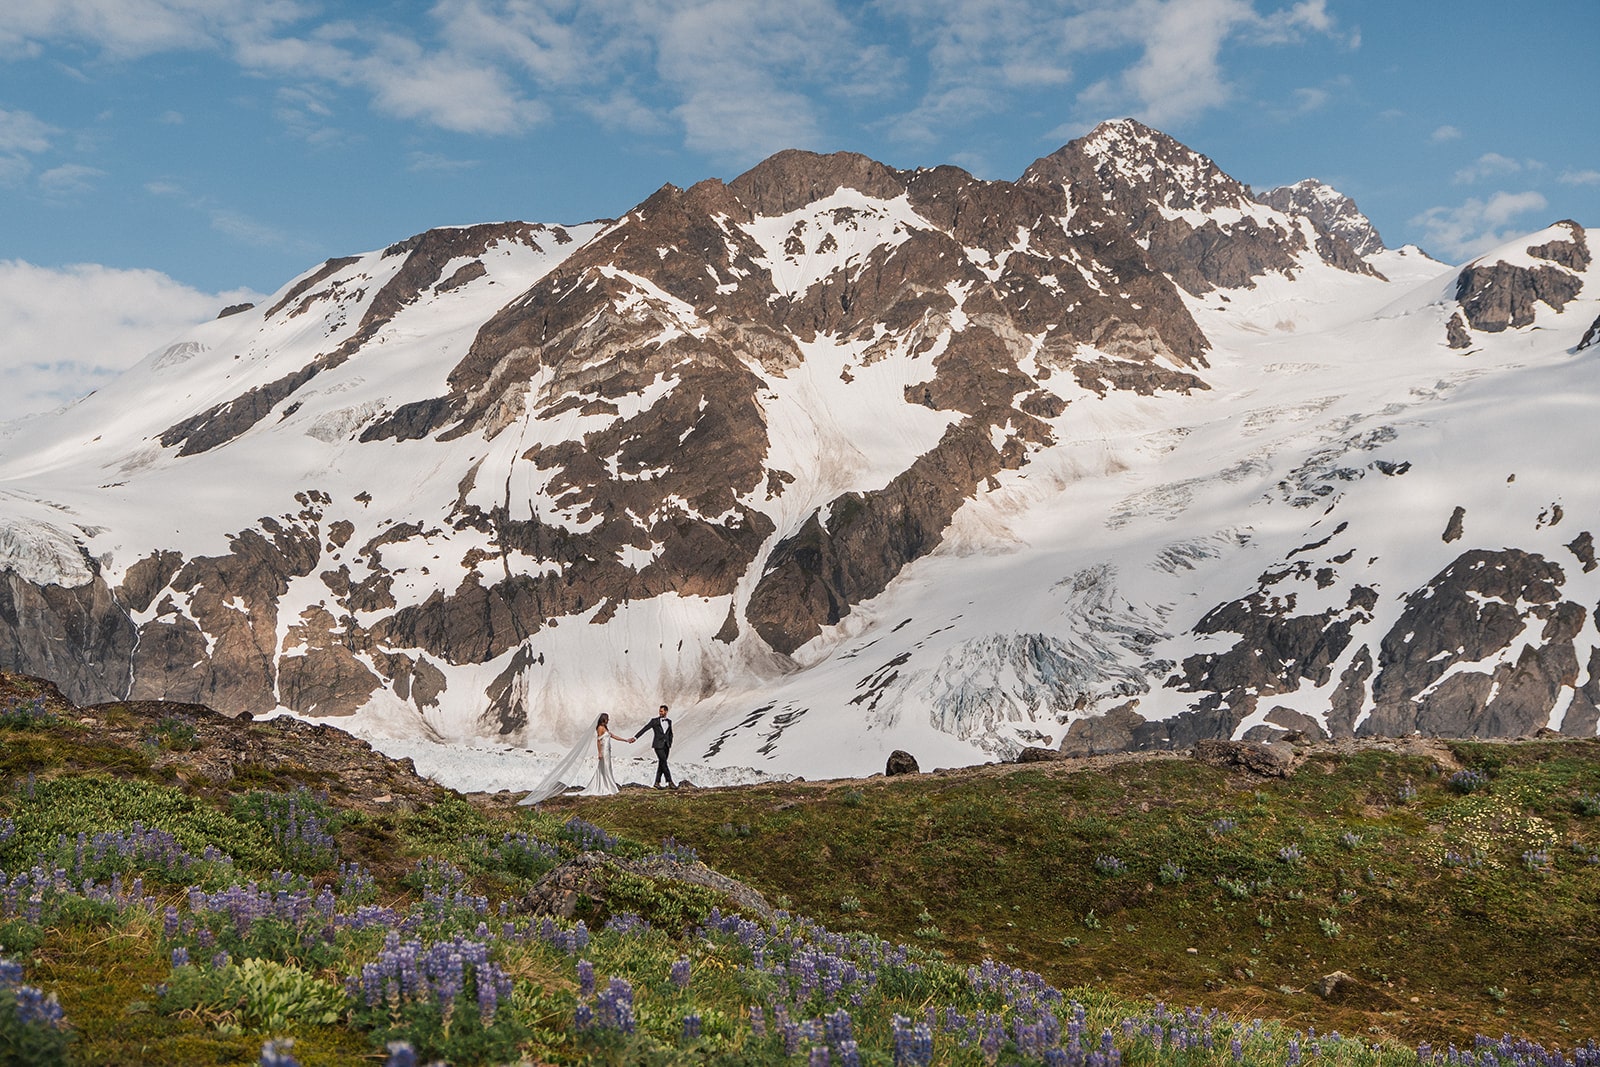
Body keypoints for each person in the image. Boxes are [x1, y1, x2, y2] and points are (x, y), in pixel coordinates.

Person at [518, 713, 633, 806]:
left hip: (608, 751)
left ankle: (608, 785)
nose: (609, 720)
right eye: (607, 718)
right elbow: (598, 741)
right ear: (604, 719)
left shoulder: (606, 728)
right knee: (605, 768)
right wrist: (599, 752)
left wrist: (626, 740)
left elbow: (613, 736)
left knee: (607, 768)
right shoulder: (600, 728)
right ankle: (608, 786)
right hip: (604, 751)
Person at [630, 704, 675, 788]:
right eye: (659, 711)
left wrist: (670, 742)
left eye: (661, 711)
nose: (660, 712)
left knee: (662, 763)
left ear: (666, 711)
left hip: (666, 745)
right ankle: (670, 782)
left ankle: (657, 783)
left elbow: (670, 733)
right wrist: (635, 737)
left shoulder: (669, 721)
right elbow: (645, 729)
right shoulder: (654, 721)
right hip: (658, 745)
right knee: (664, 762)